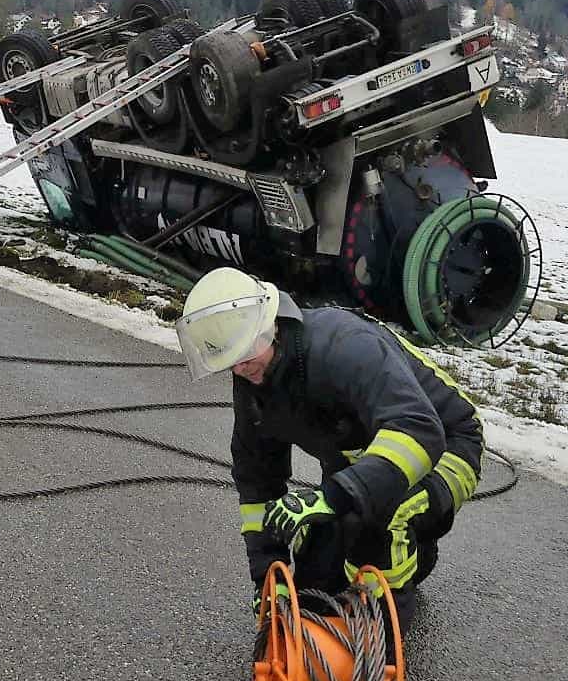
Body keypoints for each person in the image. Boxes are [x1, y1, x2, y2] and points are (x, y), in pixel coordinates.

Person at [174, 266, 484, 621]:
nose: (240, 369)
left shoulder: (344, 346)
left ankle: (382, 628)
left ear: (269, 327)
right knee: (314, 584)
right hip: (360, 455)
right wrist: (268, 576)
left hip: (447, 443)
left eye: (245, 355)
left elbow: (418, 431)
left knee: (377, 520)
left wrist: (336, 496)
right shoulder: (253, 375)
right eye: (230, 362)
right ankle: (413, 554)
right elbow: (257, 479)